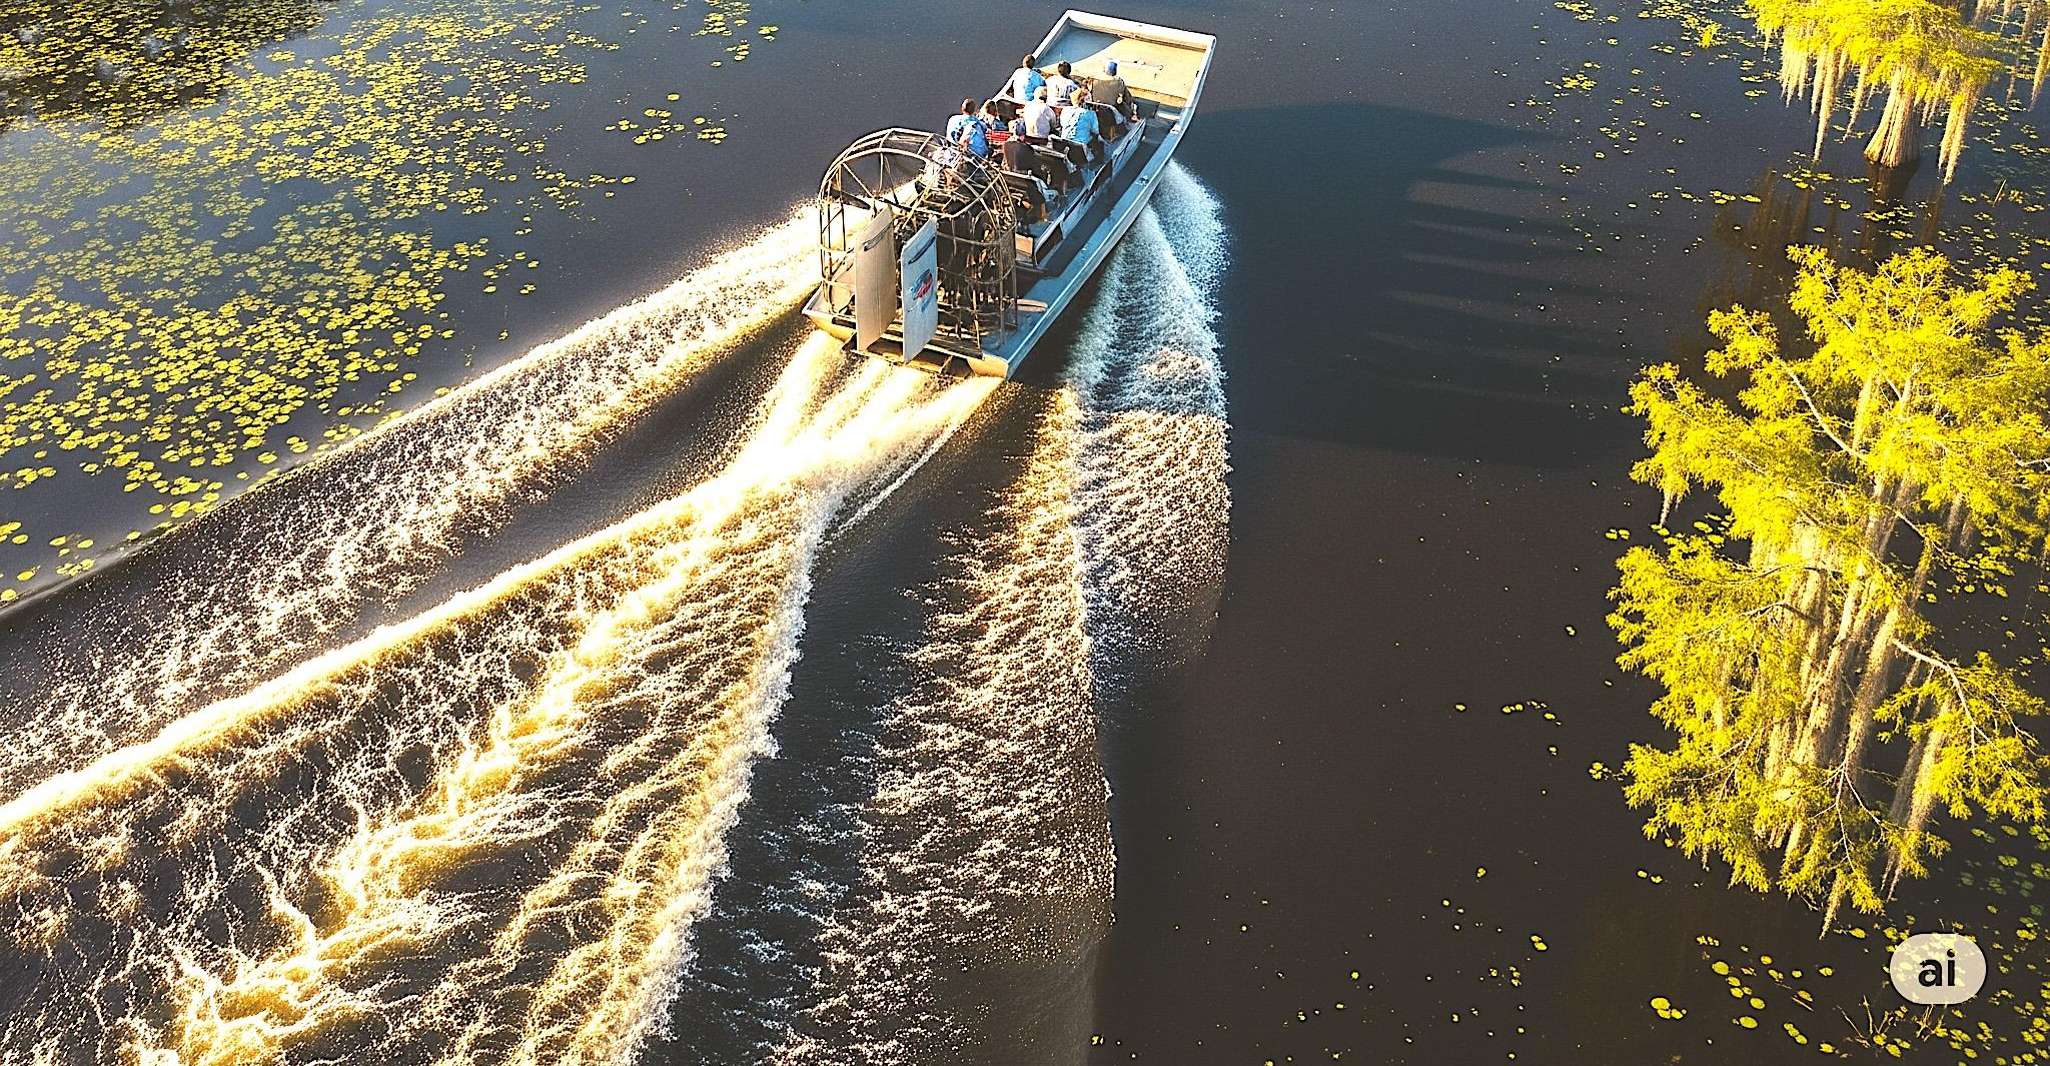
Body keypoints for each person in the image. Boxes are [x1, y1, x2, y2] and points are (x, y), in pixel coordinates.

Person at [1061, 88, 1100, 157]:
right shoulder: (1090, 113)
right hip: (1081, 148)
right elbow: (1096, 130)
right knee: (1098, 140)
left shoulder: (1065, 110)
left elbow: (1062, 124)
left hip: (1064, 144)